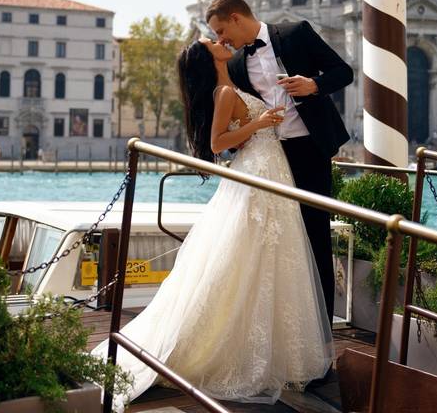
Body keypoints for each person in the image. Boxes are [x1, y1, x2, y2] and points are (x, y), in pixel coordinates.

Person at [92, 37, 333, 409]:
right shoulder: (223, 92)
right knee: (247, 255)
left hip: (269, 170)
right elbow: (218, 143)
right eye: (212, 41)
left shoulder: (232, 85)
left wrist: (262, 121)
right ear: (208, 56)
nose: (219, 40)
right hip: (256, 174)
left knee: (270, 257)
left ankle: (274, 350)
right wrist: (261, 123)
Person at [207, 0, 353, 324]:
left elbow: (343, 72)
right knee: (279, 242)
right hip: (270, 155)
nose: (221, 38)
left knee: (316, 238)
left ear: (236, 18)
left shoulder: (296, 33)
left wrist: (313, 85)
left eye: (220, 31)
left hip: (310, 149)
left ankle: (323, 328)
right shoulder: (234, 63)